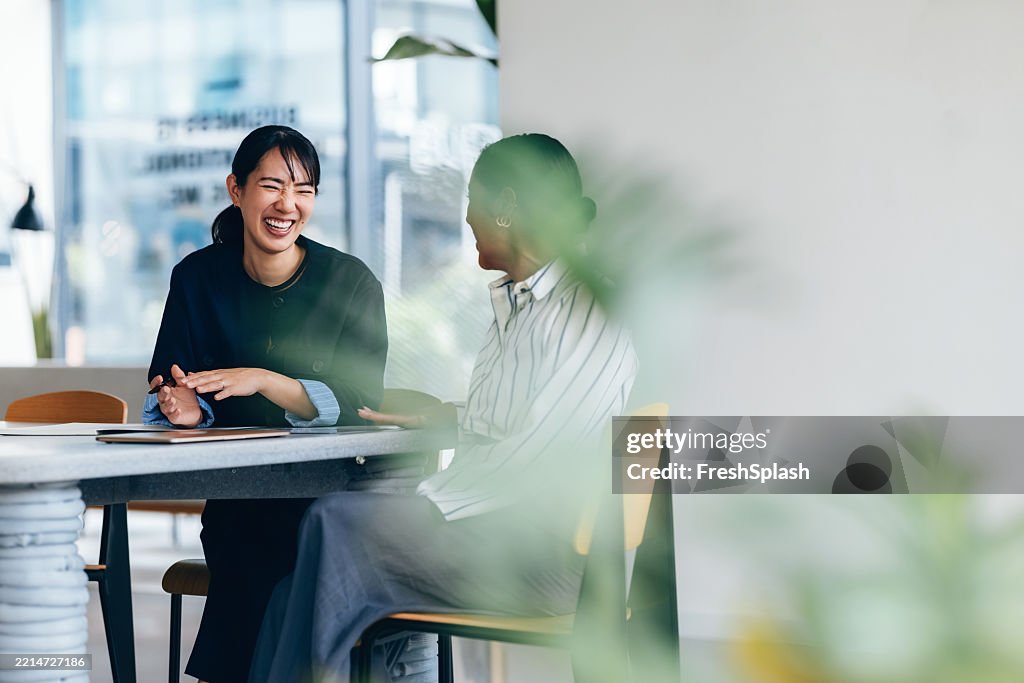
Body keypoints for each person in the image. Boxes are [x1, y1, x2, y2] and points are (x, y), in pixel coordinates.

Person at [248, 133, 638, 682]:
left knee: (334, 522)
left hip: (535, 555)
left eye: (474, 202)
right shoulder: (521, 303)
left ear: (504, 206)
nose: (469, 219)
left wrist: (425, 501)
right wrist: (449, 419)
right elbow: (521, 422)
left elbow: (539, 461)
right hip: (493, 531)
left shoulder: (586, 311)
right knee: (294, 588)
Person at [144, 125, 388, 683]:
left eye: (304, 190)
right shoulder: (197, 277)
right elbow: (173, 383)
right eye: (272, 186)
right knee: (248, 543)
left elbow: (361, 402)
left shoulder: (349, 283)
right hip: (237, 501)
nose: (287, 205)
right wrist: (182, 407)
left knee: (279, 554)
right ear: (236, 190)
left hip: (329, 500)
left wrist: (263, 379)